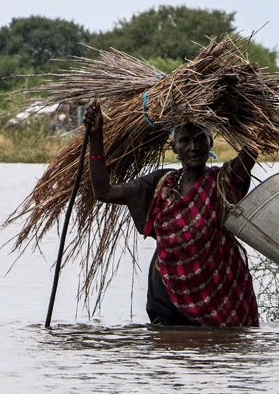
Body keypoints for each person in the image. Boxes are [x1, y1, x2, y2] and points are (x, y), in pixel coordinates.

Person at [85, 100, 260, 327]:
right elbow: (104, 191)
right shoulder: (161, 184)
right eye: (184, 140)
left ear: (211, 142)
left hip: (217, 291)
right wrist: (95, 135)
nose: (193, 147)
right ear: (173, 147)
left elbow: (253, 147)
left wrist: (242, 109)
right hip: (166, 296)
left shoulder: (223, 182)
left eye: (200, 139)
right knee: (167, 354)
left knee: (219, 352)